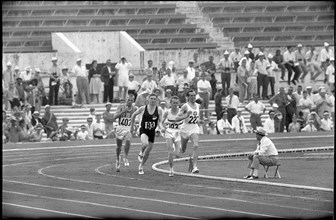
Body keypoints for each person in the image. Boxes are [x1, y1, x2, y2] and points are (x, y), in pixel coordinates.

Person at [130, 93, 163, 175]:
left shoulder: (158, 110)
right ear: (148, 100)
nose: (153, 100)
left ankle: (141, 166)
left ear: (156, 100)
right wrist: (132, 126)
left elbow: (160, 121)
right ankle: (141, 152)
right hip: (144, 130)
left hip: (152, 132)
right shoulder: (143, 108)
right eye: (151, 98)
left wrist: (162, 127)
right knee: (145, 143)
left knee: (148, 152)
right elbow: (133, 115)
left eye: (154, 99)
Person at [173, 90, 201, 173]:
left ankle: (195, 167)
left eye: (194, 95)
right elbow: (177, 118)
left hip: (194, 128)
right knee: (182, 150)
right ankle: (177, 146)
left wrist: (201, 121)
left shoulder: (198, 105)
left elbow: (197, 117)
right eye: (191, 96)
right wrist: (185, 116)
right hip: (185, 129)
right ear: (188, 97)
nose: (193, 97)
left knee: (196, 145)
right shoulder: (185, 106)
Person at [114, 94, 138, 172]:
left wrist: (134, 125)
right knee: (119, 146)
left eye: (131, 100)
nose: (130, 101)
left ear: (133, 101)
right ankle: (118, 159)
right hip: (120, 127)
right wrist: (123, 112)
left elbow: (134, 118)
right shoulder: (121, 106)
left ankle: (125, 157)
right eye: (128, 100)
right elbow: (114, 117)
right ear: (126, 99)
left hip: (128, 127)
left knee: (128, 140)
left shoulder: (134, 108)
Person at [161, 96, 184, 176]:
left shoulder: (181, 112)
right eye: (173, 103)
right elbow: (161, 122)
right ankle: (171, 169)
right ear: (170, 103)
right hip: (169, 132)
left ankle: (177, 149)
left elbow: (185, 121)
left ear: (178, 103)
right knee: (170, 152)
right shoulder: (167, 112)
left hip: (178, 133)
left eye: (176, 103)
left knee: (177, 154)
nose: (175, 104)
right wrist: (163, 128)